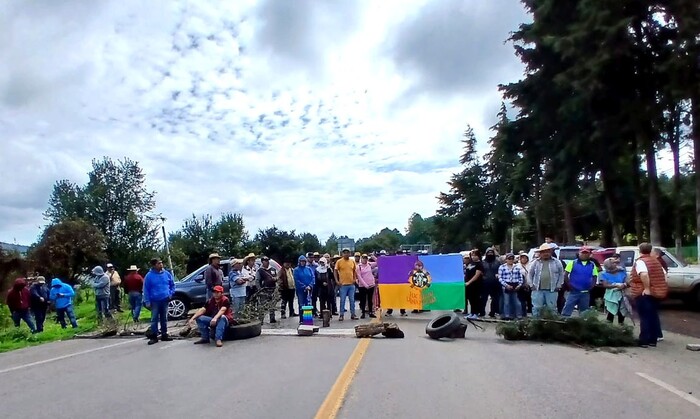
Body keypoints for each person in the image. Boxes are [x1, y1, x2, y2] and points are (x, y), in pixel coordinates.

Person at [630, 243, 668, 348]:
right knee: (653, 315)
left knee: (644, 317)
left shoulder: (641, 261)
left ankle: (644, 341)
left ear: (640, 250)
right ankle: (653, 340)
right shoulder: (656, 261)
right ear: (650, 250)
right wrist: (658, 286)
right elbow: (664, 275)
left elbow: (644, 274)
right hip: (656, 292)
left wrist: (647, 288)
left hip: (643, 293)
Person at [143, 258, 175, 345]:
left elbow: (172, 285)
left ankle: (164, 334)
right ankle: (154, 336)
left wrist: (171, 293)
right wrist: (147, 301)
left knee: (164, 318)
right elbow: (146, 289)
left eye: (161, 263)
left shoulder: (167, 274)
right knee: (154, 318)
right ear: (154, 265)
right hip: (154, 300)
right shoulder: (149, 276)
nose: (161, 265)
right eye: (158, 263)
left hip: (165, 299)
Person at [527, 244, 564, 317]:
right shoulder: (535, 262)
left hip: (552, 290)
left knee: (552, 308)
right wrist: (531, 285)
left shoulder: (557, 262)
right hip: (537, 289)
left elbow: (561, 275)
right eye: (543, 252)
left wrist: (559, 285)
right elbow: (529, 274)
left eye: (547, 251)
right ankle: (536, 324)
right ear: (540, 253)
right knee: (537, 308)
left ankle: (551, 324)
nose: (545, 253)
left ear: (550, 252)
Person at [562, 247, 598, 317]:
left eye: (586, 253)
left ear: (589, 254)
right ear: (579, 253)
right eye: (583, 253)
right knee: (567, 309)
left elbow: (595, 276)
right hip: (573, 291)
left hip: (585, 292)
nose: (584, 255)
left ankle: (583, 325)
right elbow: (565, 275)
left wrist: (592, 286)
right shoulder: (572, 263)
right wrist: (569, 285)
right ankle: (564, 322)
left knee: (584, 312)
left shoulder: (592, 264)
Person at [600, 257, 629, 324]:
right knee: (611, 312)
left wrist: (624, 285)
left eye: (616, 262)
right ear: (608, 264)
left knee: (622, 311)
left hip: (622, 293)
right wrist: (616, 285)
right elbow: (605, 285)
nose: (616, 264)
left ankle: (622, 328)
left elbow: (628, 282)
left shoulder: (622, 271)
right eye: (613, 263)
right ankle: (609, 328)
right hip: (611, 295)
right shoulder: (604, 274)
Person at [334, 248, 358, 321]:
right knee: (342, 300)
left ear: (350, 253)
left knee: (352, 300)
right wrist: (337, 281)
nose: (346, 254)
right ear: (342, 254)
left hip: (351, 284)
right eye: (344, 252)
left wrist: (354, 279)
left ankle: (353, 314)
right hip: (343, 285)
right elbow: (335, 271)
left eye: (347, 252)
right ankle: (341, 315)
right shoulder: (339, 262)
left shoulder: (352, 261)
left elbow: (354, 271)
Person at [498, 253, 524, 320]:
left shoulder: (517, 267)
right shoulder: (502, 267)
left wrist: (519, 285)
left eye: (512, 259)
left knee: (517, 302)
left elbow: (520, 277)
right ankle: (507, 316)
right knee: (506, 302)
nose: (510, 260)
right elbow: (500, 278)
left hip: (515, 285)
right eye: (509, 259)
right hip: (506, 285)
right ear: (506, 259)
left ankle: (519, 315)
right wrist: (506, 285)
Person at [256, 256, 278, 324]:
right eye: (265, 261)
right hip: (264, 290)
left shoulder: (273, 269)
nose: (267, 262)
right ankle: (261, 320)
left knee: (272, 305)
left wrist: (276, 279)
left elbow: (277, 277)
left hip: (272, 288)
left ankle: (272, 318)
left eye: (267, 260)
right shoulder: (260, 270)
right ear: (262, 262)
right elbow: (257, 281)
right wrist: (260, 290)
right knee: (262, 305)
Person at [293, 255, 315, 323]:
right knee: (301, 304)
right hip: (301, 290)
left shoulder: (308, 269)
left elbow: (313, 277)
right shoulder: (296, 270)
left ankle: (308, 319)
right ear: (299, 262)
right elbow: (297, 280)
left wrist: (310, 286)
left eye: (304, 261)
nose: (302, 262)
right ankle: (302, 320)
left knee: (308, 304)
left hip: (309, 289)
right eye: (301, 261)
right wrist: (304, 286)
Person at [480, 247, 502, 318]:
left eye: (491, 252)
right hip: (484, 283)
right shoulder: (482, 262)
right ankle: (482, 312)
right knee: (483, 298)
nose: (490, 254)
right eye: (488, 253)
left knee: (495, 299)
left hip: (495, 283)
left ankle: (492, 312)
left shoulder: (498, 262)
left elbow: (501, 271)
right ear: (486, 254)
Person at [463, 250, 484, 319]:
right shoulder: (470, 263)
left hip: (476, 285)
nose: (473, 257)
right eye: (472, 255)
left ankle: (476, 313)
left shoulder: (480, 264)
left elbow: (477, 275)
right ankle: (471, 313)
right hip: (468, 285)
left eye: (475, 255)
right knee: (471, 299)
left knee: (475, 299)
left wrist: (469, 282)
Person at [356, 254, 376, 319]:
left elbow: (378, 262)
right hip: (362, 286)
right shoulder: (358, 266)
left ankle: (371, 312)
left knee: (370, 300)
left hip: (371, 284)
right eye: (363, 258)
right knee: (363, 300)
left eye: (366, 258)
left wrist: (373, 256)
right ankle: (363, 313)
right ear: (361, 259)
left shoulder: (369, 264)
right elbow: (359, 277)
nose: (365, 259)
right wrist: (365, 285)